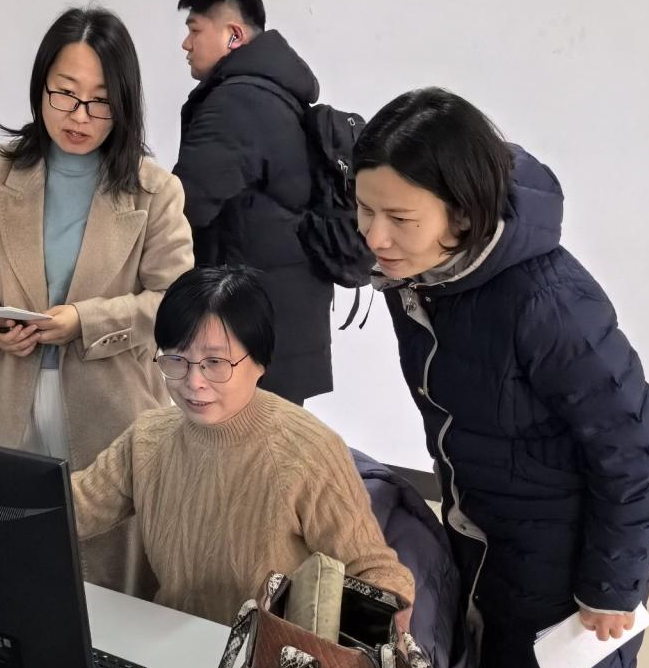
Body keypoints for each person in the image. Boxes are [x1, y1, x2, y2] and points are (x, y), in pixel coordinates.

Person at [352, 87, 649, 668]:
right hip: (481, 541)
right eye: (364, 209)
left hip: (569, 576)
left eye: (400, 218)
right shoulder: (423, 277)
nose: (375, 237)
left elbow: (636, 450)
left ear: (463, 215)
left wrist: (612, 587)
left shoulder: (548, 303)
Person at [0, 5, 193, 592]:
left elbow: (175, 304)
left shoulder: (155, 190)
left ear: (124, 103)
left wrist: (85, 320)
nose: (79, 116)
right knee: (3, 567)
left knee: (102, 577)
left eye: (100, 101)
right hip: (6, 402)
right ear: (41, 87)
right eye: (65, 94)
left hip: (109, 407)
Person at [71, 266, 414, 626]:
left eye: (215, 362)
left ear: (260, 361)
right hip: (172, 641)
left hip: (268, 652)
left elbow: (376, 573)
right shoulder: (148, 437)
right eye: (176, 359)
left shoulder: (309, 451)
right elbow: (75, 506)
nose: (194, 381)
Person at [173, 0, 333, 406]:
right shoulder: (277, 92)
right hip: (284, 325)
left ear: (234, 35)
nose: (186, 44)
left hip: (249, 332)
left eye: (195, 30)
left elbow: (183, 209)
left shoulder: (237, 103)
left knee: (243, 446)